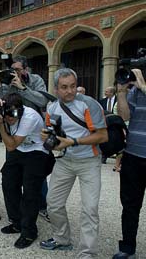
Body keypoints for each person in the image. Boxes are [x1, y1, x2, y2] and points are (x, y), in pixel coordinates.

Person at [38, 68, 108, 258]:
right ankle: (61, 239)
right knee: (53, 204)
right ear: (56, 88)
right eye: (64, 87)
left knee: (90, 209)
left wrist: (74, 141)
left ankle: (87, 252)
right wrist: (47, 137)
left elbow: (102, 135)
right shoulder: (52, 108)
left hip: (89, 161)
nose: (69, 91)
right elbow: (50, 132)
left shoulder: (89, 104)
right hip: (65, 160)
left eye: (73, 86)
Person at [0, 93, 54, 249]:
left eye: (15, 114)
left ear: (21, 109)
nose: (11, 118)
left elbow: (10, 145)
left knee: (30, 191)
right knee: (8, 183)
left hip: (37, 150)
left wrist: (1, 125)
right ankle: (17, 223)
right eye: (7, 114)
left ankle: (29, 231)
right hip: (20, 149)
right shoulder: (4, 112)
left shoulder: (29, 116)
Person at [0, 54, 51, 222]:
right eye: (12, 70)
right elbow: (2, 102)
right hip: (13, 132)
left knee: (36, 176)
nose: (14, 73)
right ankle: (18, 208)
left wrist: (23, 87)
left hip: (33, 132)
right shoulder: (8, 82)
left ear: (25, 69)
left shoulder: (36, 80)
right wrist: (0, 84)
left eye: (17, 70)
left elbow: (42, 101)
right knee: (12, 174)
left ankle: (42, 206)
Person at [113, 68, 146, 259]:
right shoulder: (134, 91)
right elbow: (125, 116)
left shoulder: (141, 87)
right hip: (133, 156)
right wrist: (122, 92)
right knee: (130, 205)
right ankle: (127, 248)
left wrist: (143, 86)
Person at [99, 86, 117, 164]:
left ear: (112, 93)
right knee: (104, 140)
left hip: (115, 123)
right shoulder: (102, 101)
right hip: (105, 122)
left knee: (115, 139)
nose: (105, 93)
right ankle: (104, 156)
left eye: (107, 91)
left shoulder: (118, 100)